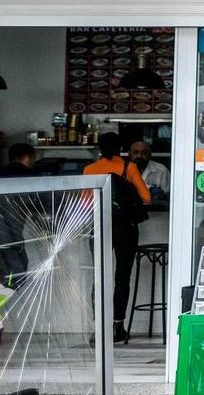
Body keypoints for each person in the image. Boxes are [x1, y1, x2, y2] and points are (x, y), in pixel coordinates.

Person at [84, 132, 150, 343]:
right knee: (122, 278)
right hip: (125, 229)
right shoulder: (128, 167)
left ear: (99, 149)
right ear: (121, 147)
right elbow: (146, 198)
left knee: (100, 278)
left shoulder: (89, 170)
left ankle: (99, 329)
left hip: (99, 227)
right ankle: (117, 327)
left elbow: (85, 204)